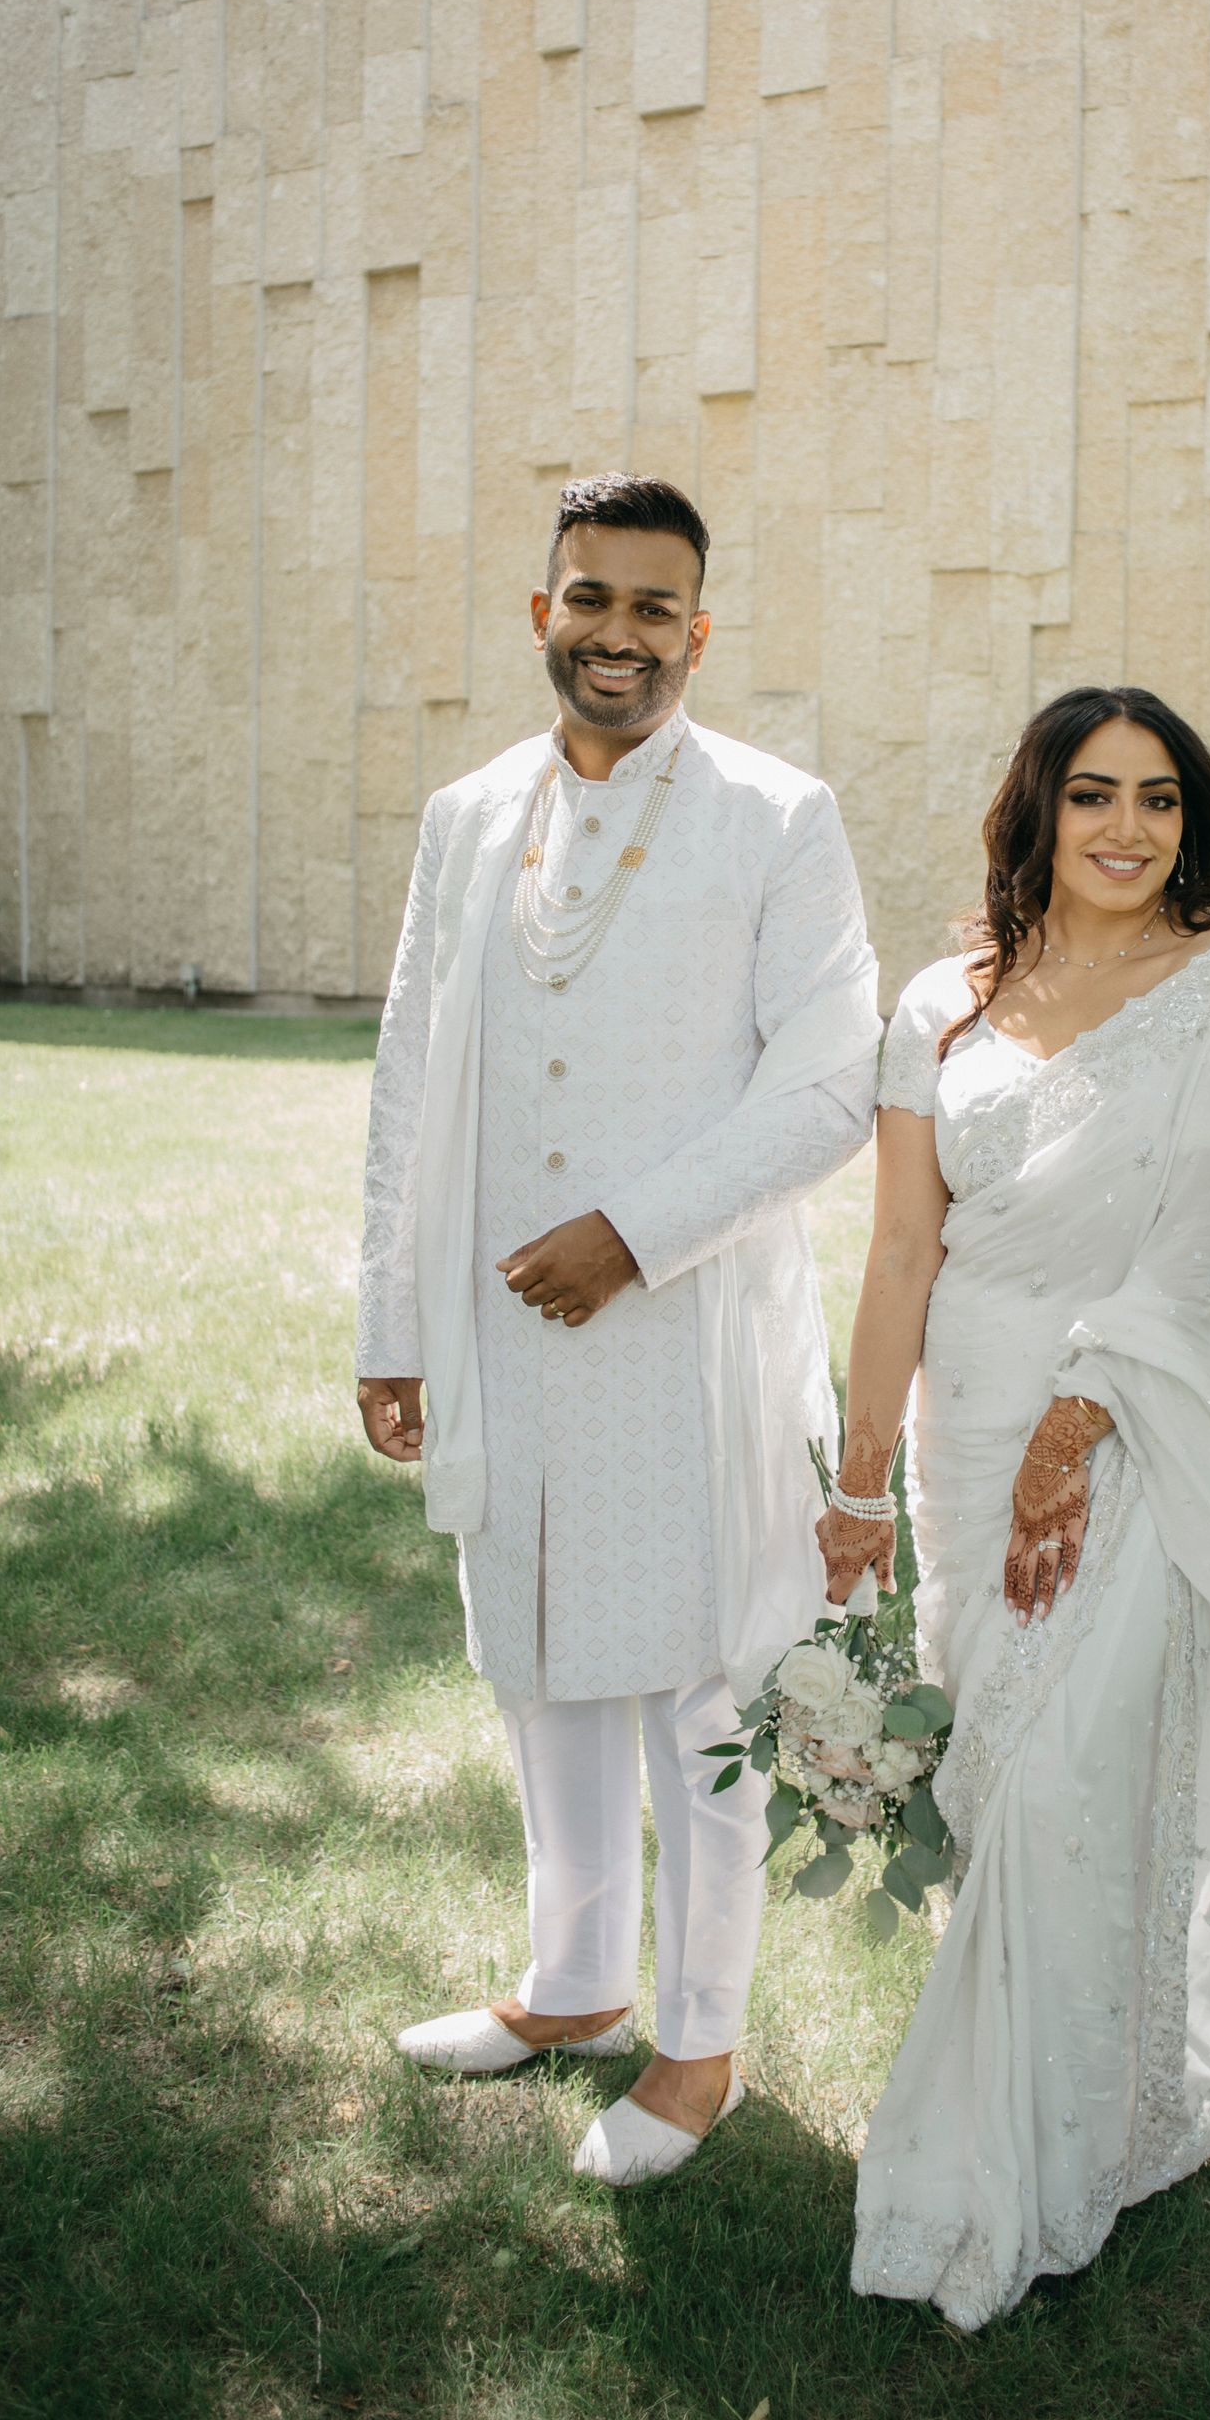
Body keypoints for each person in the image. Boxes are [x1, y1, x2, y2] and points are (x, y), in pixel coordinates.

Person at [815, 685, 1210, 2328]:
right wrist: (859, 1486)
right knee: (1005, 1793)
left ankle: (1016, 2166)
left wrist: (1082, 1414)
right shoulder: (939, 1005)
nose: (1130, 827)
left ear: (1193, 820)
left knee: (1062, 1780)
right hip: (962, 1428)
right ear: (1037, 813)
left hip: (1129, 1426)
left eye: (1160, 797)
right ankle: (1094, 2092)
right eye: (1094, 795)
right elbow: (903, 1252)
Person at [356, 473, 879, 2186]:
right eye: (592, 598)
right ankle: (572, 1988)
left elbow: (828, 1092)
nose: (620, 636)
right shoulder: (463, 818)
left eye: (657, 609)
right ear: (541, 611)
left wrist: (634, 1238)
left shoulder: (777, 816)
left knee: (692, 1682)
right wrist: (395, 1316)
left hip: (691, 1324)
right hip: (504, 1333)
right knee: (539, 1657)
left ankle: (700, 2043)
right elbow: (411, 1083)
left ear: (698, 631)